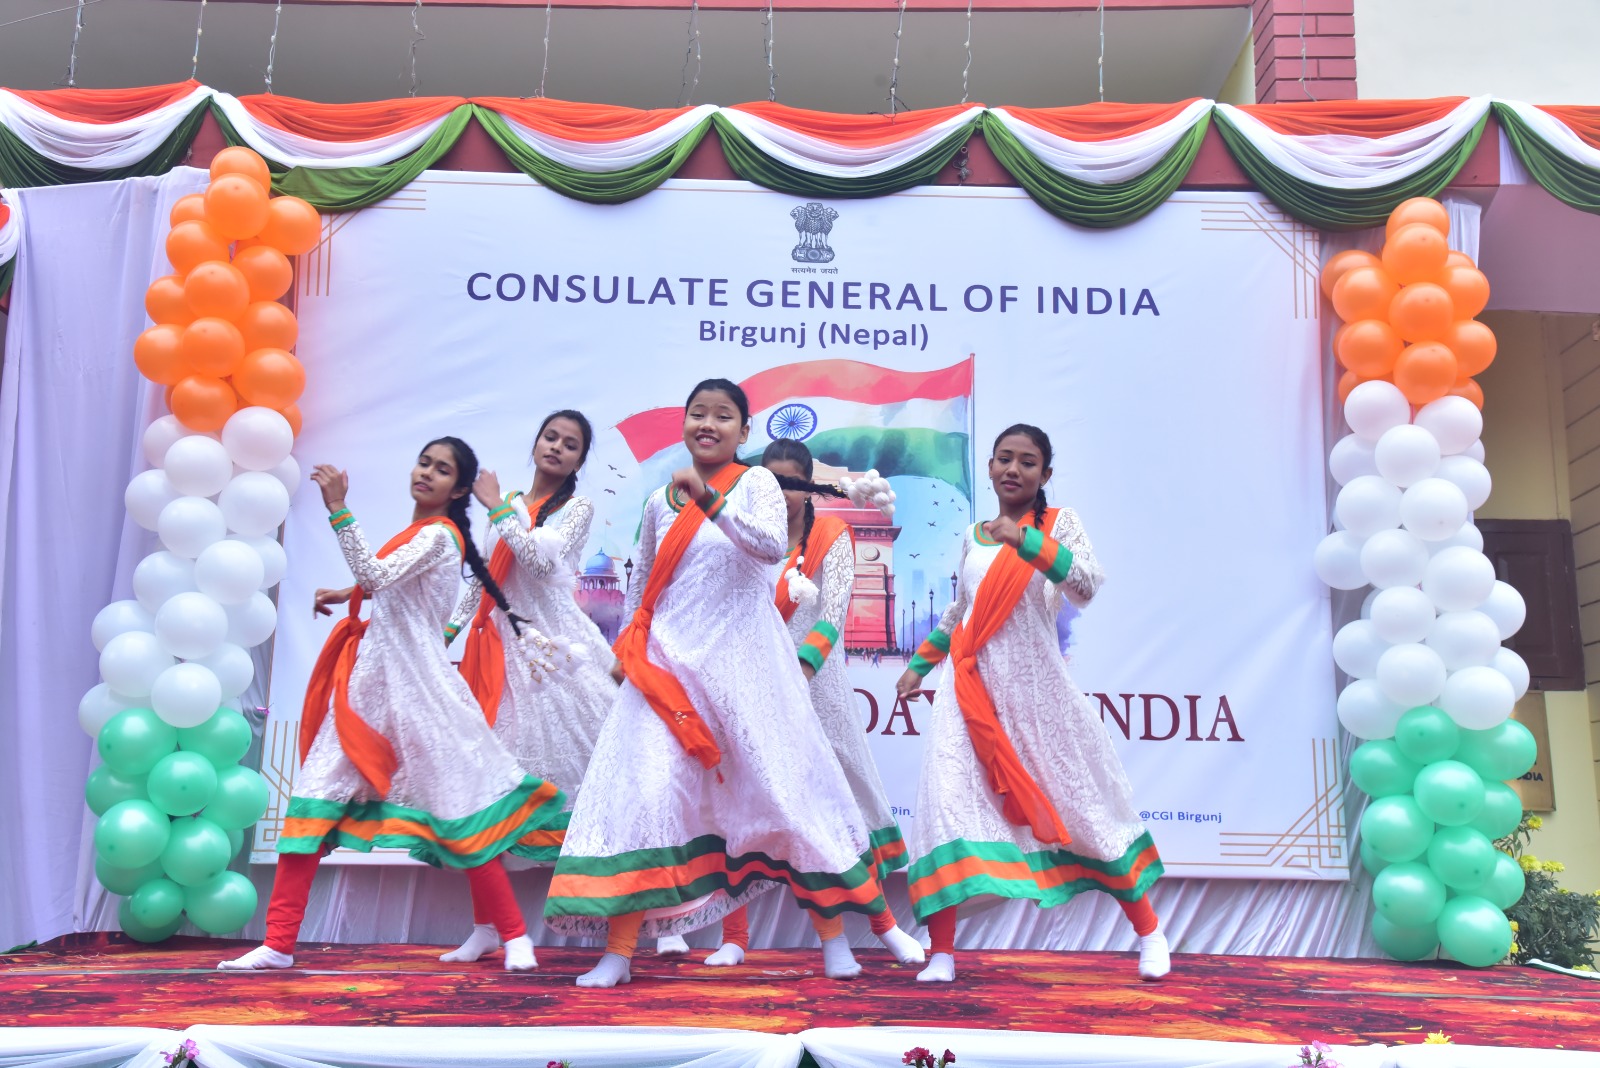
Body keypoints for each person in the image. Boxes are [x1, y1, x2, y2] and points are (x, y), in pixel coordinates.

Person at [545, 379, 887, 987]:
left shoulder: (756, 484)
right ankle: (619, 955)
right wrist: (627, 646)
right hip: (667, 672)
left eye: (723, 416)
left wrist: (711, 500)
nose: (708, 424)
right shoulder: (657, 502)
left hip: (740, 670)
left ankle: (834, 941)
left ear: (743, 431)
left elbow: (763, 549)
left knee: (782, 801)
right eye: (697, 413)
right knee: (644, 798)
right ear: (684, 423)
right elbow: (643, 580)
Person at [218, 438, 566, 973]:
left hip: (421, 693)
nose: (427, 473)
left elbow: (382, 574)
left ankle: (516, 936)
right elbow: (390, 583)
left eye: (442, 469)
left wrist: (338, 509)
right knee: (310, 805)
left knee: (462, 812)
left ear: (459, 489)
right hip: (368, 694)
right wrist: (345, 593)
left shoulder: (439, 534)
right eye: (424, 462)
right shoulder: (420, 536)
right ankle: (280, 943)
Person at [895, 424, 1170, 983]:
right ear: (991, 468)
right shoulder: (974, 535)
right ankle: (942, 952)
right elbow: (960, 613)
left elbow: (1087, 587)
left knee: (1082, 808)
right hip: (967, 688)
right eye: (1003, 459)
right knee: (948, 807)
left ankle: (1149, 933)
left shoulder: (1056, 523)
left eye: (1026, 462)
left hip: (1034, 690)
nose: (1012, 470)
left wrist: (1028, 542)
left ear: (1044, 475)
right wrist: (920, 666)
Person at [440, 411, 661, 962]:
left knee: (599, 778)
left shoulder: (576, 508)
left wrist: (495, 506)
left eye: (570, 445)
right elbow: (486, 574)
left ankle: (651, 920)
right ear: (536, 442)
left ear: (580, 461)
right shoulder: (511, 497)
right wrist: (445, 632)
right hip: (499, 654)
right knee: (485, 786)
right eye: (551, 438)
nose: (557, 448)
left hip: (556, 655)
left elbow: (539, 565)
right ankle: (486, 927)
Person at [698, 439, 923, 968]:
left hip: (814, 688)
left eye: (792, 483)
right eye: (771, 482)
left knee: (833, 810)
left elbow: (833, 613)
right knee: (744, 810)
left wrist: (797, 672)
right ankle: (736, 937)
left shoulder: (831, 534)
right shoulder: (747, 536)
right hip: (752, 686)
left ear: (809, 484)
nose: (783, 492)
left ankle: (874, 929)